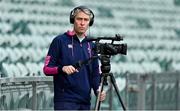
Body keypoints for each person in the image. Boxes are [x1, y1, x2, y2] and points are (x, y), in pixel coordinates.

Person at [43, 6, 106, 110]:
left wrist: (98, 90)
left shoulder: (92, 45)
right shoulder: (59, 41)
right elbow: (46, 69)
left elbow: (95, 73)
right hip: (65, 101)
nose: (82, 23)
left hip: (85, 102)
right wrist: (61, 68)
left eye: (86, 20)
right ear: (73, 20)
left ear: (90, 22)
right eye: (79, 19)